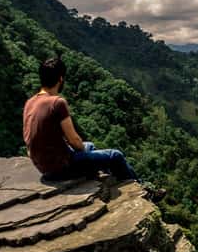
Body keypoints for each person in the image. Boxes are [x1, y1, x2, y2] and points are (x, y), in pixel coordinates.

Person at [22, 55, 162, 199]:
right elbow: (74, 140)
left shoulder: (30, 102)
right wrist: (81, 153)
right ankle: (144, 192)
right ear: (61, 79)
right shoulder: (57, 103)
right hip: (61, 168)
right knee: (115, 155)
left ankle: (101, 174)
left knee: (90, 145)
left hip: (43, 167)